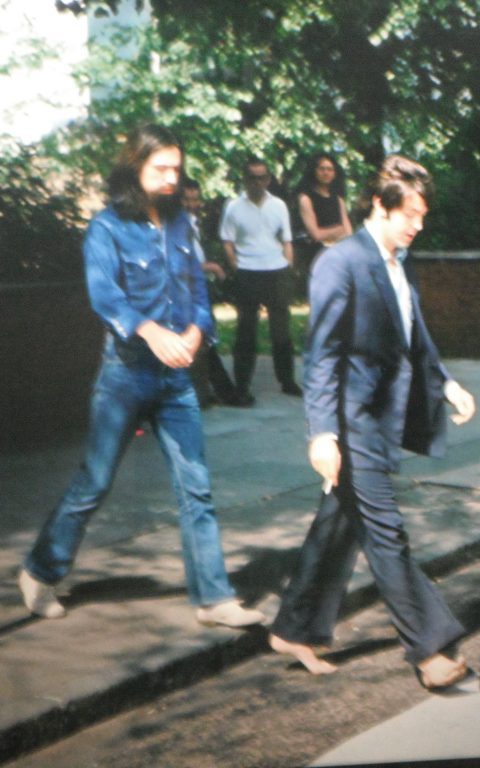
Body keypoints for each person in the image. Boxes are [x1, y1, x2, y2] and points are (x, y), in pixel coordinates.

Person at [17, 124, 265, 629]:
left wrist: (199, 330)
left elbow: (197, 289)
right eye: (161, 169)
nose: (173, 178)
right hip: (125, 375)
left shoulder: (182, 226)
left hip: (176, 380)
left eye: (177, 168)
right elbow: (104, 296)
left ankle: (213, 598)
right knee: (95, 482)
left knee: (195, 485)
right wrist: (150, 332)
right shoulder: (106, 228)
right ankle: (41, 569)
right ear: (135, 170)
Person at [268, 155, 477, 689]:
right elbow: (322, 356)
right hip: (351, 419)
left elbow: (414, 332)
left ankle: (296, 626)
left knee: (340, 523)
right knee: (387, 533)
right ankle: (429, 649)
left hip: (383, 417)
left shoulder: (397, 260)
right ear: (381, 208)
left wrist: (445, 383)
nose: (419, 224)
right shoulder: (341, 262)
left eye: (422, 214)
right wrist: (322, 433)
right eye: (411, 213)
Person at [219, 156, 301, 403]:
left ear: (268, 179)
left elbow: (287, 239)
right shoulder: (233, 206)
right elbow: (227, 240)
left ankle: (287, 381)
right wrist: (235, 266)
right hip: (247, 273)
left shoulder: (279, 205)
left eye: (262, 177)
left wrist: (288, 264)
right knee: (246, 331)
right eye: (252, 177)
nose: (257, 182)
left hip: (276, 272)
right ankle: (242, 386)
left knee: (282, 332)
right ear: (244, 179)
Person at [182, 177, 240, 407]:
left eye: (194, 199)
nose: (190, 204)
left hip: (198, 288)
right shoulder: (177, 225)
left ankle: (209, 393)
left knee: (205, 341)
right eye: (185, 199)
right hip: (186, 291)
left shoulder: (192, 223)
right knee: (201, 340)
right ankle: (221, 392)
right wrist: (212, 267)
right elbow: (181, 265)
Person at [294, 153, 353, 291]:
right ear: (314, 171)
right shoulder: (305, 198)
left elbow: (349, 232)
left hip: (340, 254)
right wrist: (337, 230)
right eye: (322, 169)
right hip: (317, 256)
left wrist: (334, 233)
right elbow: (316, 234)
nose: (326, 173)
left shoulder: (338, 199)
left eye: (330, 169)